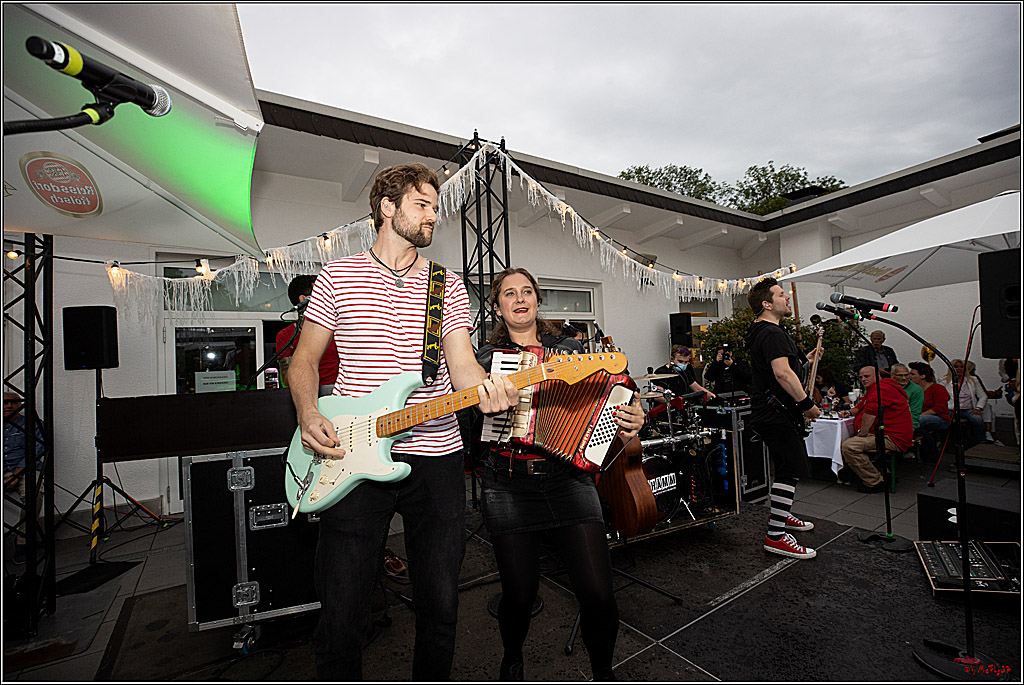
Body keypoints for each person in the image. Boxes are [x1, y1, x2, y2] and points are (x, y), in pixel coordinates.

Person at [287, 163, 518, 680]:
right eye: (423, 205)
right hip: (353, 454)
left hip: (437, 458)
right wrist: (308, 411)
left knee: (439, 604)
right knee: (343, 608)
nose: (434, 215)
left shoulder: (447, 284)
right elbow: (302, 361)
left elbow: (462, 368)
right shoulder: (337, 275)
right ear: (387, 208)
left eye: (436, 207)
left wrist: (488, 391)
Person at [474, 267, 645, 682]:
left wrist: (633, 414)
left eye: (527, 291)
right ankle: (512, 658)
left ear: (537, 300)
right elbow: (467, 428)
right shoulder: (481, 360)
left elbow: (617, 386)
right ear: (497, 306)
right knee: (519, 595)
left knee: (599, 594)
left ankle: (603, 673)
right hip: (508, 483)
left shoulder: (570, 349)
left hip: (569, 478)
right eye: (509, 293)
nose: (520, 299)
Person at [744, 277, 820, 560]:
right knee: (791, 468)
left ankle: (781, 513)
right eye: (780, 294)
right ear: (767, 303)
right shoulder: (773, 334)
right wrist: (807, 405)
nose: (786, 297)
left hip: (770, 411)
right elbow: (782, 374)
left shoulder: (761, 331)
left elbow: (787, 367)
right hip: (777, 413)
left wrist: (806, 360)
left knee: (787, 468)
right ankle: (775, 536)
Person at [839, 366, 913, 493]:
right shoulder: (876, 388)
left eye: (866, 376)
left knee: (850, 446)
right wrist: (850, 412)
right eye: (861, 377)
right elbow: (861, 406)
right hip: (885, 434)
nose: (863, 379)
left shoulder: (881, 390)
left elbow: (869, 415)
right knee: (851, 441)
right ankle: (882, 473)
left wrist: (861, 435)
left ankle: (874, 481)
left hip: (892, 437)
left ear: (877, 376)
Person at [276, 274, 340, 396]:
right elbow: (287, 379)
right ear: (304, 300)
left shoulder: (337, 329)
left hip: (341, 394)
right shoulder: (285, 336)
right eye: (322, 294)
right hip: (307, 394)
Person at [4, 392, 45, 565]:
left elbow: (38, 447)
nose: (9, 406)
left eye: (13, 402)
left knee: (33, 491)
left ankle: (22, 541)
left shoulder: (31, 424)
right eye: (5, 403)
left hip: (24, 469)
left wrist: (17, 473)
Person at [909, 361, 951, 462]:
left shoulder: (938, 388)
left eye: (912, 374)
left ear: (923, 376)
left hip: (940, 418)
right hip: (918, 417)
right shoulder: (913, 389)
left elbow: (939, 408)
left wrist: (919, 415)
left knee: (921, 419)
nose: (909, 376)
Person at [940, 359, 988, 445]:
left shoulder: (973, 380)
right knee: (942, 420)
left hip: (968, 409)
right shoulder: (943, 381)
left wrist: (978, 408)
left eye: (961, 367)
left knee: (977, 419)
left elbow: (983, 396)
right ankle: (943, 441)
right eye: (956, 367)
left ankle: (982, 440)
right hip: (951, 409)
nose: (959, 369)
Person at [891, 364, 924, 431]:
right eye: (900, 375)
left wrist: (910, 430)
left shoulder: (916, 390)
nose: (904, 378)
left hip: (905, 426)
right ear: (892, 376)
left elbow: (914, 413)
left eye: (906, 375)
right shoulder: (885, 387)